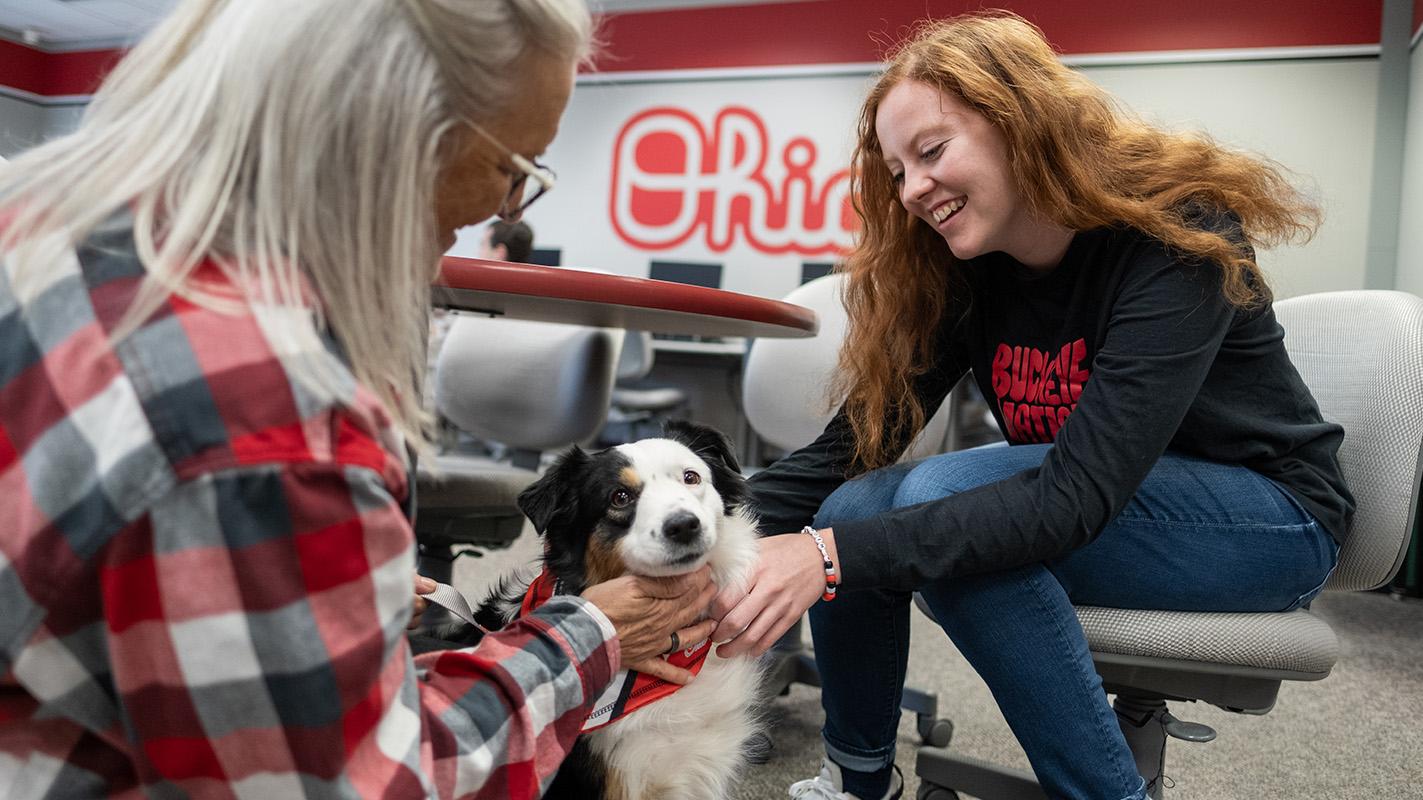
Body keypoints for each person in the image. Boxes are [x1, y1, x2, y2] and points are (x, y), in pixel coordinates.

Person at [0, 1, 716, 798]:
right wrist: (587, 635)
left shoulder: (30, 227)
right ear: (392, 129)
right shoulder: (271, 422)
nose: (506, 212)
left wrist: (310, 592)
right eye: (516, 167)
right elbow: (373, 784)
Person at [708, 12, 1353, 800]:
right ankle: (858, 779)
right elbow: (851, 451)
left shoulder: (1173, 234)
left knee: (949, 509)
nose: (911, 190)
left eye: (932, 151)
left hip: (1269, 523)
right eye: (896, 170)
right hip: (1106, 511)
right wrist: (704, 529)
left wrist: (822, 558)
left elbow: (1067, 500)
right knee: (855, 501)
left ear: (1021, 122)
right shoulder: (971, 269)